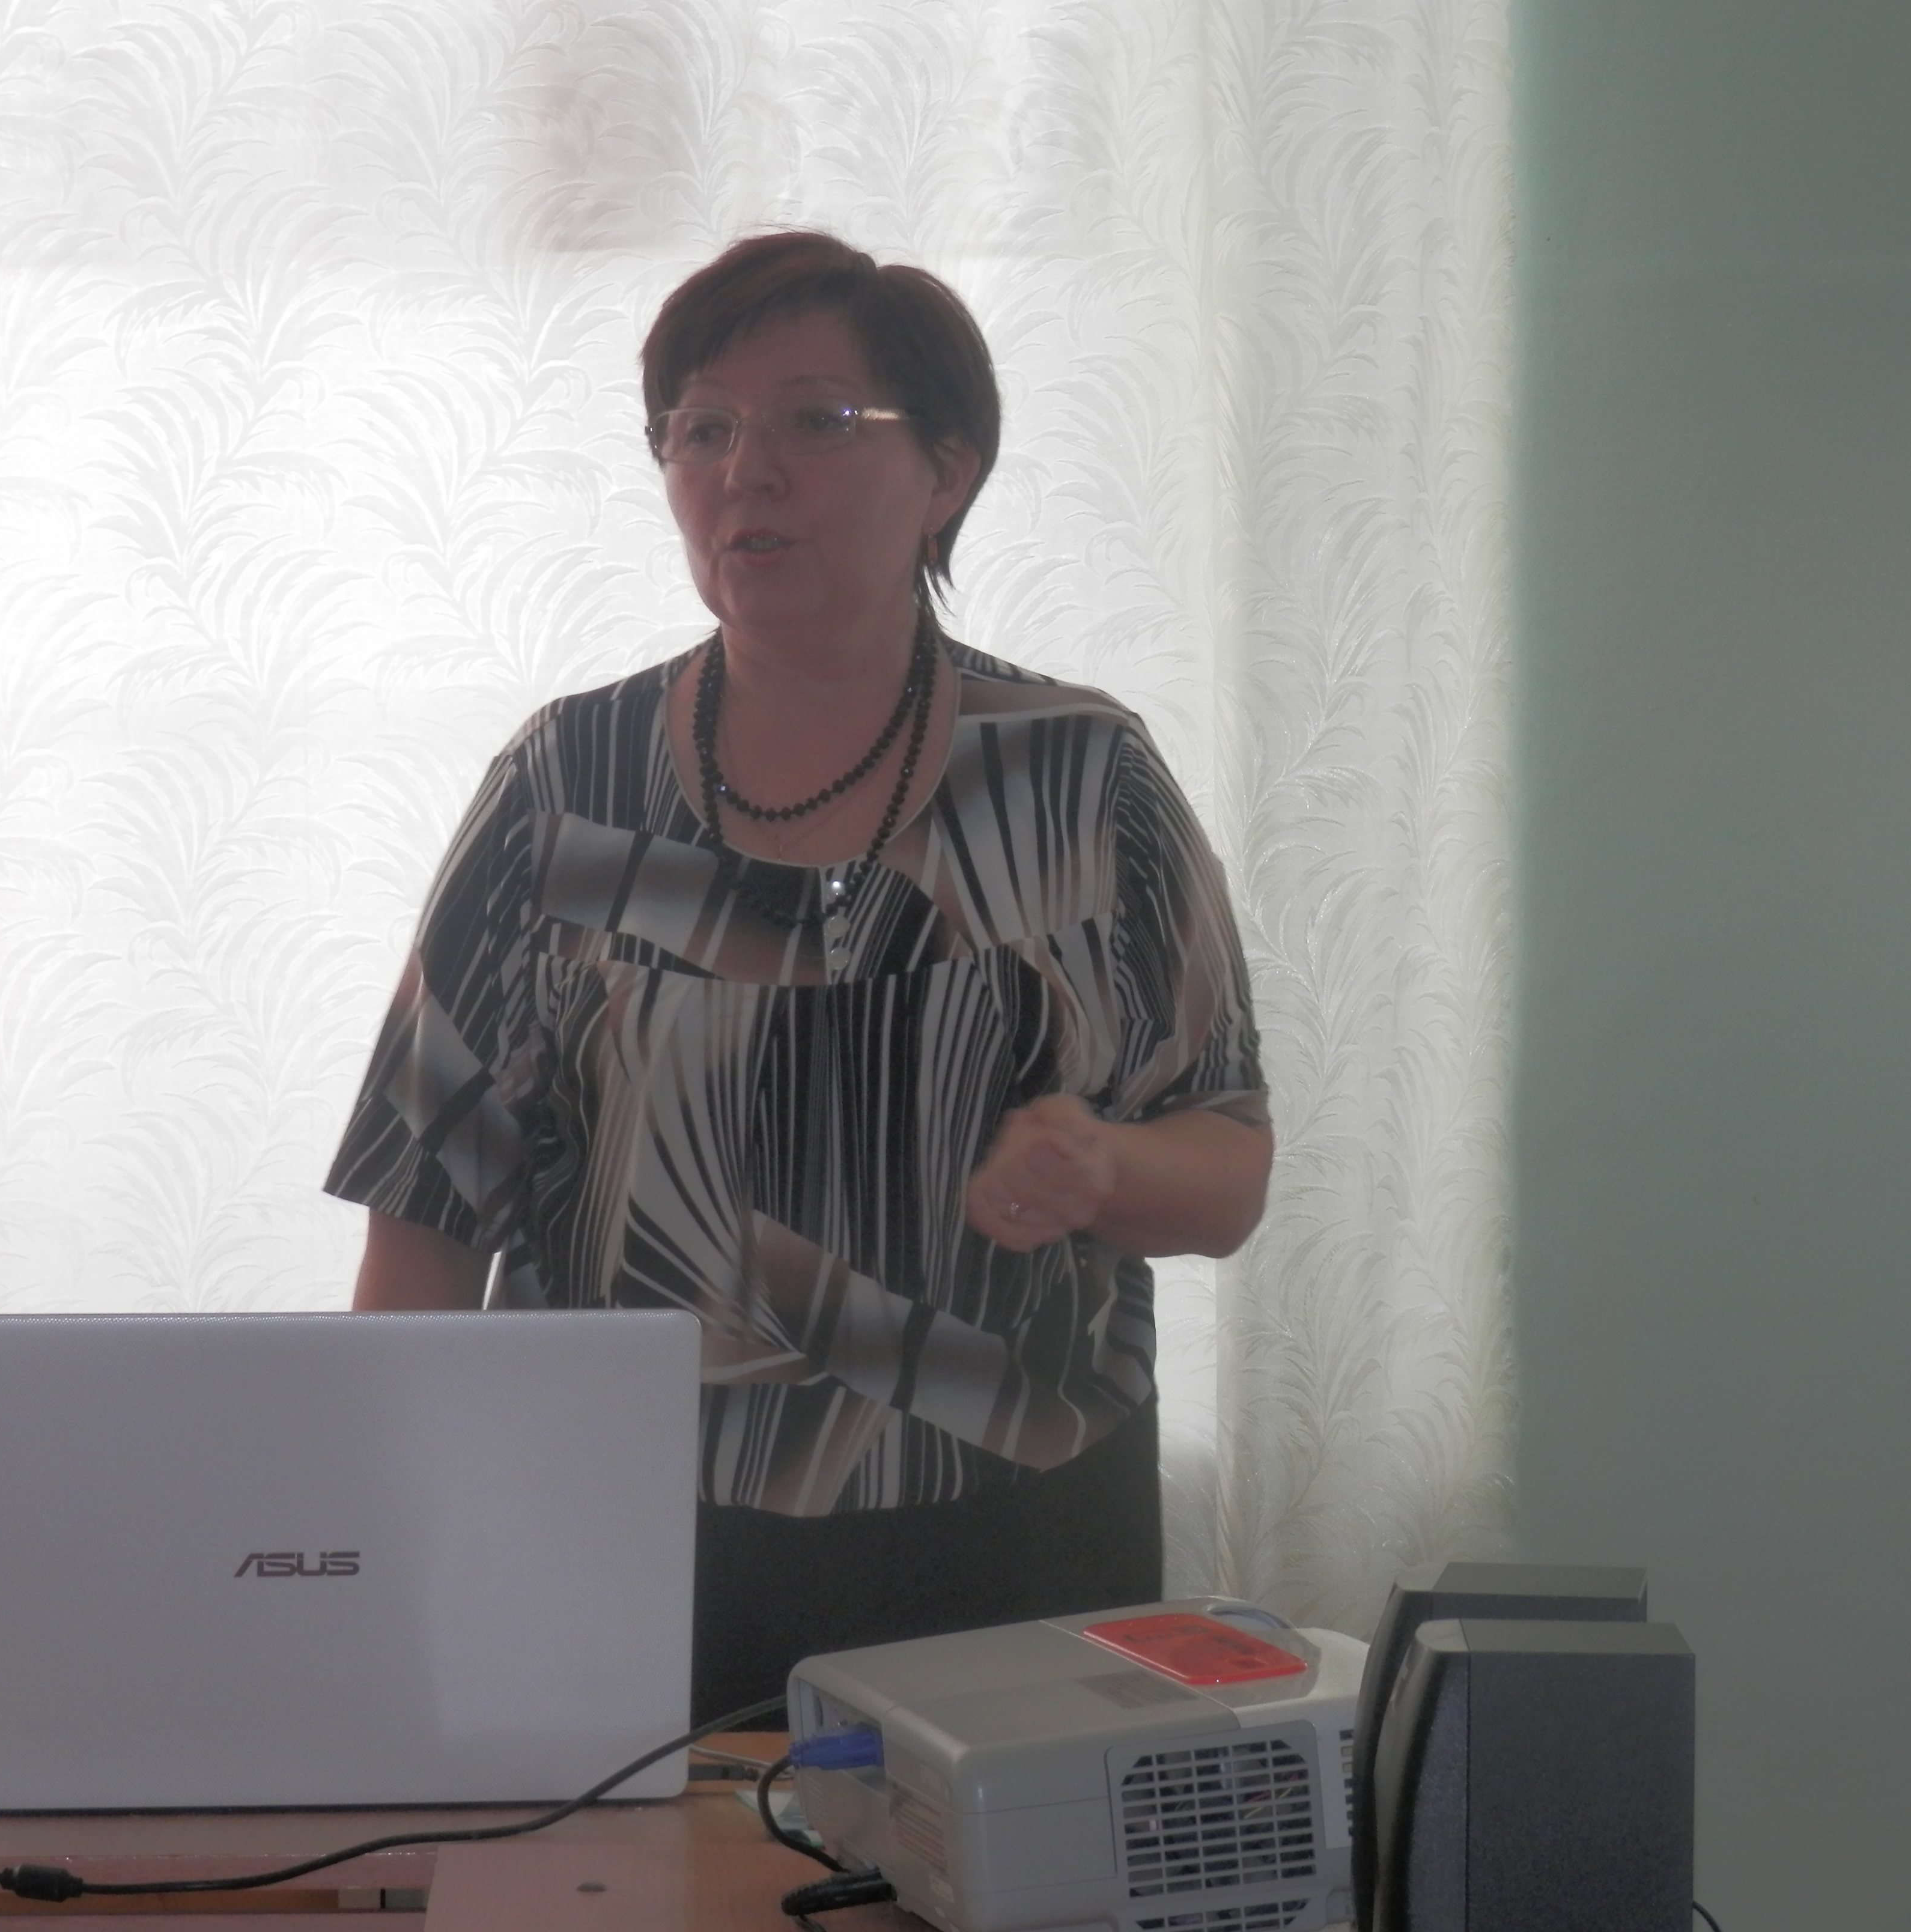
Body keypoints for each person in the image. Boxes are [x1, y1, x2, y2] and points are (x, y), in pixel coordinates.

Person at [326, 232, 1271, 1724]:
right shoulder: (567, 781)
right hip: (620, 1529)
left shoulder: (1080, 776)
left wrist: (1101, 1167)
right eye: (699, 428)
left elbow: (1225, 1173)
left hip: (1017, 1539)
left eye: (813, 421)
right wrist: (372, 1538)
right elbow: (427, 1204)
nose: (743, 471)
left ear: (945, 472)